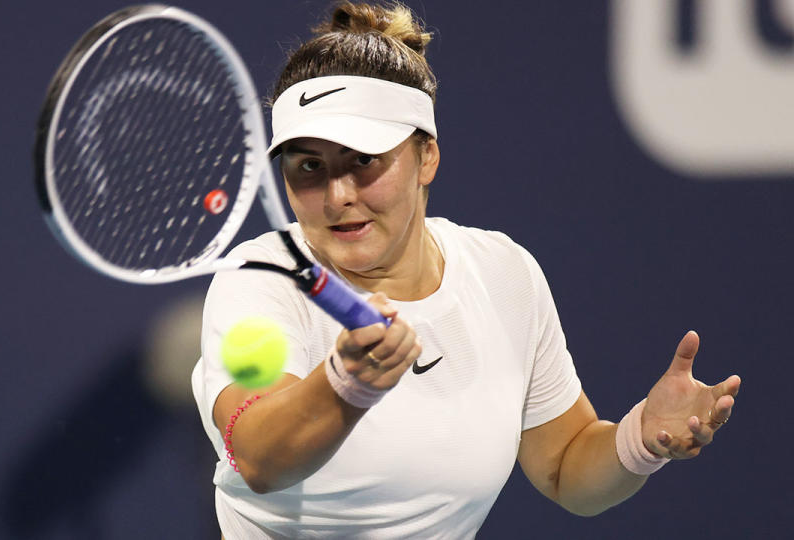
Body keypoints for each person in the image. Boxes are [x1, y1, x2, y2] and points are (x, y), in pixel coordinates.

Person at [191, 2, 741, 537]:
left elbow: (566, 468)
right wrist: (347, 382)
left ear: (426, 156)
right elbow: (259, 459)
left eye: (364, 161)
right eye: (309, 166)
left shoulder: (504, 274)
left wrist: (640, 440)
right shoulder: (259, 282)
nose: (338, 195)